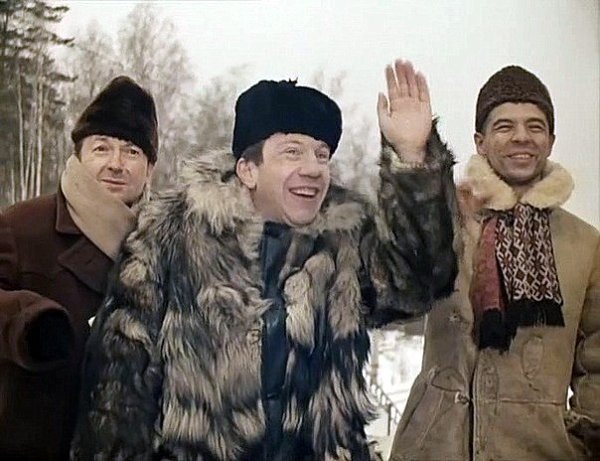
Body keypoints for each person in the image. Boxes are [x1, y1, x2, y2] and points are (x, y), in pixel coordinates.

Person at [72, 60, 457, 461]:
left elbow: (416, 286)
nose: (313, 169)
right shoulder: (172, 236)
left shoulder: (344, 241)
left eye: (322, 155)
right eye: (292, 152)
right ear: (248, 170)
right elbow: (118, 386)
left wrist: (412, 160)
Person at [390, 65, 600, 460]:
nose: (522, 136)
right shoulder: (448, 219)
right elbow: (397, 271)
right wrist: (412, 160)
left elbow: (597, 362)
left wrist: (580, 443)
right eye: (504, 126)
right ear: (481, 141)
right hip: (434, 448)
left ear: (551, 141)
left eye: (535, 126)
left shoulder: (586, 244)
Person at [0, 76, 158, 460]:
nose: (116, 164)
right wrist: (27, 322)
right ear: (79, 156)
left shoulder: (163, 246)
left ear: (150, 169)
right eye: (102, 147)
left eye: (132, 152)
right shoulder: (22, 226)